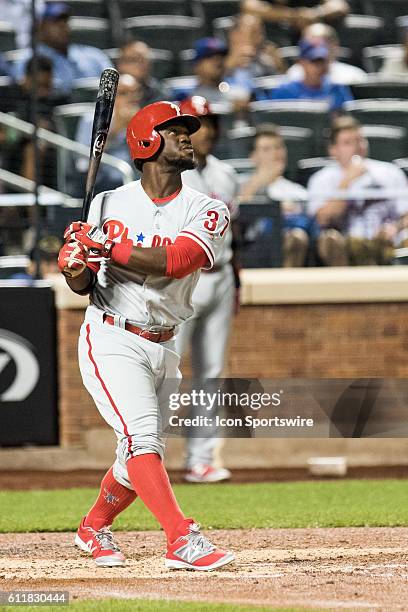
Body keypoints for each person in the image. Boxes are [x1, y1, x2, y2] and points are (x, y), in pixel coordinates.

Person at [57, 100, 234, 570]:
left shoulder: (208, 209)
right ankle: (181, 538)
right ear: (146, 141)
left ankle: (93, 528)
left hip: (165, 343)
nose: (186, 137)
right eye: (174, 130)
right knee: (143, 442)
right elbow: (84, 283)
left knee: (135, 454)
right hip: (111, 335)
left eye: (185, 131)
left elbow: (177, 261)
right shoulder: (108, 203)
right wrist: (74, 265)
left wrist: (104, 246)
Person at [175, 96, 240, 483]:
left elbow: (233, 233)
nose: (209, 132)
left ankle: (201, 458)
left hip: (222, 275)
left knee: (211, 373)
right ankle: (141, 457)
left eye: (212, 123)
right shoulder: (171, 177)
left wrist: (238, 282)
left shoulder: (226, 174)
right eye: (201, 124)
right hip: (184, 280)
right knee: (166, 369)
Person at [308, 115, 408, 265]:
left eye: (360, 140)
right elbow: (323, 219)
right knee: (330, 240)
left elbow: (405, 214)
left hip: (386, 240)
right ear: (333, 150)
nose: (357, 147)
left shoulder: (390, 172)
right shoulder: (322, 179)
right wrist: (347, 181)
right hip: (345, 243)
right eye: (348, 143)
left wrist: (394, 227)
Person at [239, 123, 312, 267]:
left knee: (297, 237)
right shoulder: (240, 184)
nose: (275, 153)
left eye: (278, 147)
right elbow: (236, 213)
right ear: (253, 157)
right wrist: (260, 181)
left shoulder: (297, 191)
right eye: (267, 149)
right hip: (250, 251)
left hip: (291, 244)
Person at [13, 2, 113, 99]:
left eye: (65, 21)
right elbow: (25, 92)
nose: (63, 26)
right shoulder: (28, 59)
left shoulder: (95, 56)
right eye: (55, 22)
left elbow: (113, 85)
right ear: (41, 26)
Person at [74, 74, 142, 194]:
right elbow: (85, 162)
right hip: (102, 178)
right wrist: (115, 130)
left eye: (135, 93)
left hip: (134, 176)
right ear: (111, 95)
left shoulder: (141, 118)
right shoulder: (93, 119)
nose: (131, 98)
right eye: (123, 93)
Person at [262, 39, 353, 112]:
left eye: (323, 61)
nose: (320, 67)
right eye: (314, 62)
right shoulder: (284, 91)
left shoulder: (337, 89)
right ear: (302, 62)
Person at [286, 23, 366, 85]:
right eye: (309, 43)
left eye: (323, 43)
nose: (316, 46)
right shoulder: (294, 75)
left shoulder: (354, 76)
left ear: (335, 46)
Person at [116, 40, 170, 107]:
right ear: (121, 64)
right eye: (134, 59)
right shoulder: (111, 91)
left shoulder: (160, 92)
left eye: (145, 59)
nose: (140, 64)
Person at [241, 0, 349, 31]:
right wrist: (294, 15)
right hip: (272, 46)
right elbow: (248, 6)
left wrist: (315, 13)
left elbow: (340, 5)